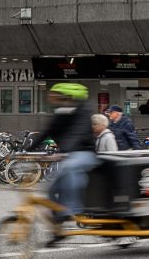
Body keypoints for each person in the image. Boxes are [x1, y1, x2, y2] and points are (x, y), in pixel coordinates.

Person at [31, 83, 96, 241]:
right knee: (51, 187)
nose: (53, 99)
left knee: (70, 167)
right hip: (69, 153)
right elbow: (47, 131)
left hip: (85, 154)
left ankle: (72, 209)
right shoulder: (61, 112)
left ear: (68, 96)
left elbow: (77, 133)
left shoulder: (84, 111)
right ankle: (57, 229)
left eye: (57, 96)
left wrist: (65, 151)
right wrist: (27, 149)